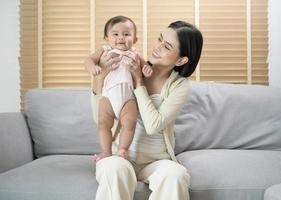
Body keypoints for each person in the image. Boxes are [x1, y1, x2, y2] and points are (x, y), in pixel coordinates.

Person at [89, 20, 203, 200]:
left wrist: (139, 82)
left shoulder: (179, 86)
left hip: (156, 161)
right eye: (159, 39)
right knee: (114, 168)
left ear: (181, 59)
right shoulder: (129, 66)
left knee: (176, 175)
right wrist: (100, 77)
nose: (157, 47)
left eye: (166, 46)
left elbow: (153, 125)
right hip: (121, 156)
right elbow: (100, 119)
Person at [84, 16, 153, 160]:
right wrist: (92, 67)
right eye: (115, 34)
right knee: (103, 124)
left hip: (128, 98)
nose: (121, 38)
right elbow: (89, 60)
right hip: (108, 96)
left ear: (135, 40)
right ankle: (106, 151)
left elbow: (145, 66)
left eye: (126, 34)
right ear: (107, 38)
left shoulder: (135, 54)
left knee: (130, 123)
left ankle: (122, 149)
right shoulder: (104, 51)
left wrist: (147, 70)